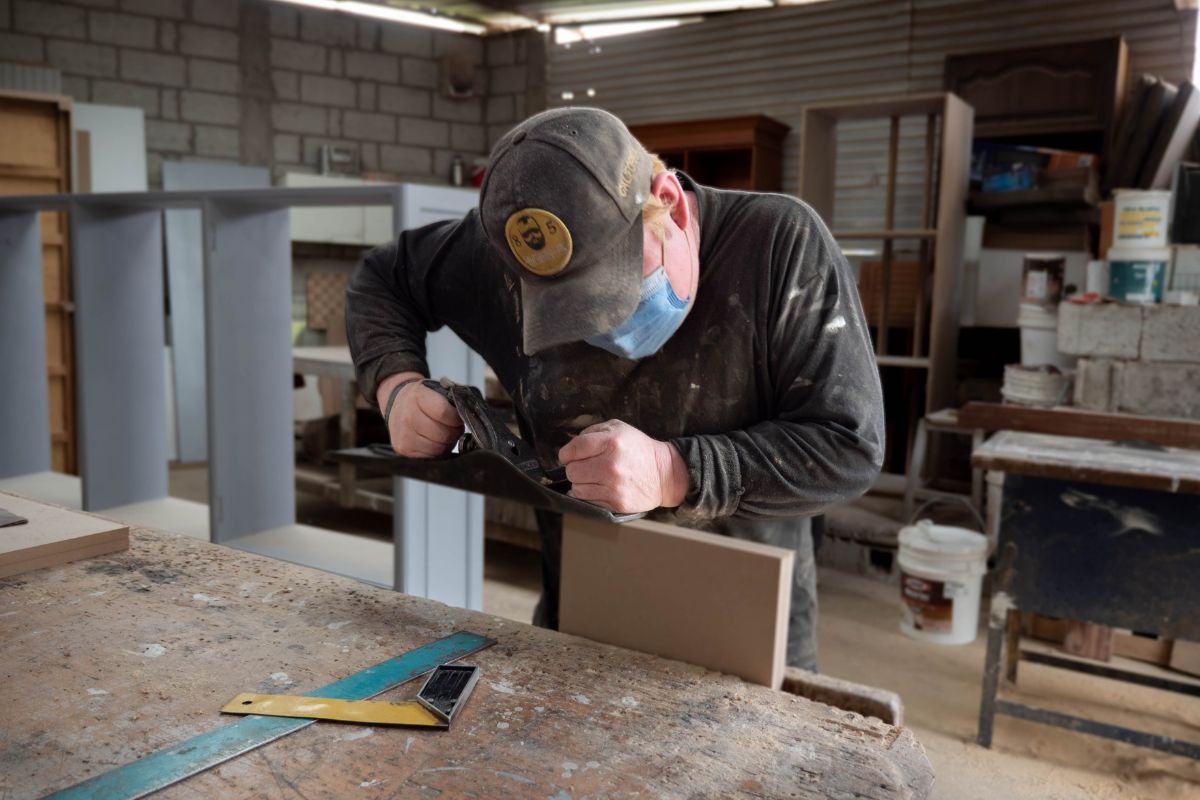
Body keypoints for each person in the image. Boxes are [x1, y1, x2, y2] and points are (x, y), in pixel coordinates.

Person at [346, 107, 884, 669]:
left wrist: (676, 472)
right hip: (579, 613)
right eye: (572, 310)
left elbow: (849, 446)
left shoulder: (780, 246)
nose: (604, 328)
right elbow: (384, 279)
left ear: (667, 201)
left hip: (747, 627)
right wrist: (397, 387)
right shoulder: (508, 250)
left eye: (616, 290)